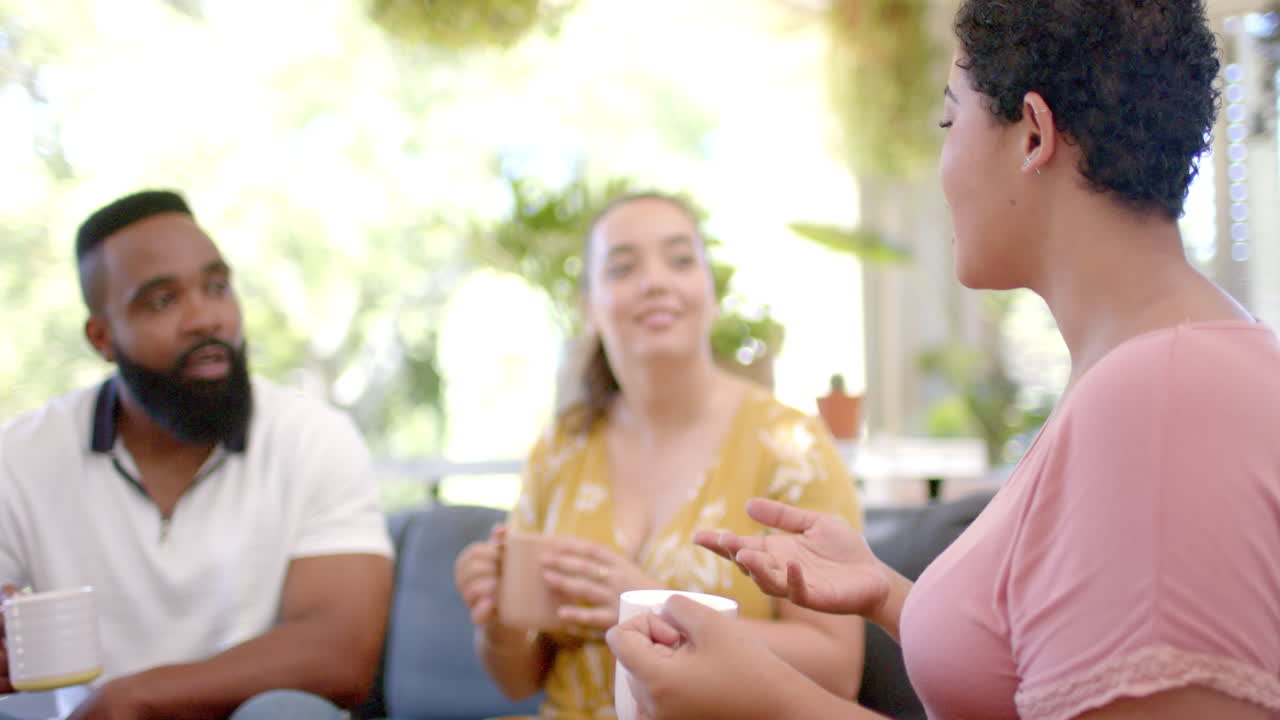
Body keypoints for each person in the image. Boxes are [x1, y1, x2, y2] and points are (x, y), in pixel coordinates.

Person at [606, 1, 1280, 719]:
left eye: (949, 121)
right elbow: (1045, 662)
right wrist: (890, 596)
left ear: (1032, 135)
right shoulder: (1147, 372)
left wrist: (769, 698)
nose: (943, 161)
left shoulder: (1164, 397)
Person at [453, 193, 867, 719]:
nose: (654, 282)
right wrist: (498, 621)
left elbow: (836, 668)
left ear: (710, 295)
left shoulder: (792, 446)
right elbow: (517, 681)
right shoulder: (561, 447)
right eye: (623, 267)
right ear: (589, 310)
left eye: (679, 260)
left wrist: (656, 606)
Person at [0, 190, 395, 720]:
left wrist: (133, 696)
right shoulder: (21, 457)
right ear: (103, 338)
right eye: (162, 301)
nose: (205, 318)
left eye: (217, 287)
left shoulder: (313, 436)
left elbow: (340, 652)